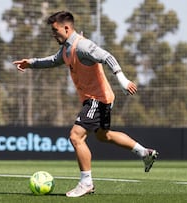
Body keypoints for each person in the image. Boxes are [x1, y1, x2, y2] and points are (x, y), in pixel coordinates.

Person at [13, 11, 158, 198]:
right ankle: (144, 152)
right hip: (100, 98)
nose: (53, 34)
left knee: (75, 136)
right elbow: (53, 61)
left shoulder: (82, 46)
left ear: (67, 28)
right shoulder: (66, 49)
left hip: (98, 99)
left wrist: (122, 80)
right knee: (104, 136)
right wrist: (30, 63)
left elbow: (107, 57)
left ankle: (86, 182)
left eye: (55, 30)